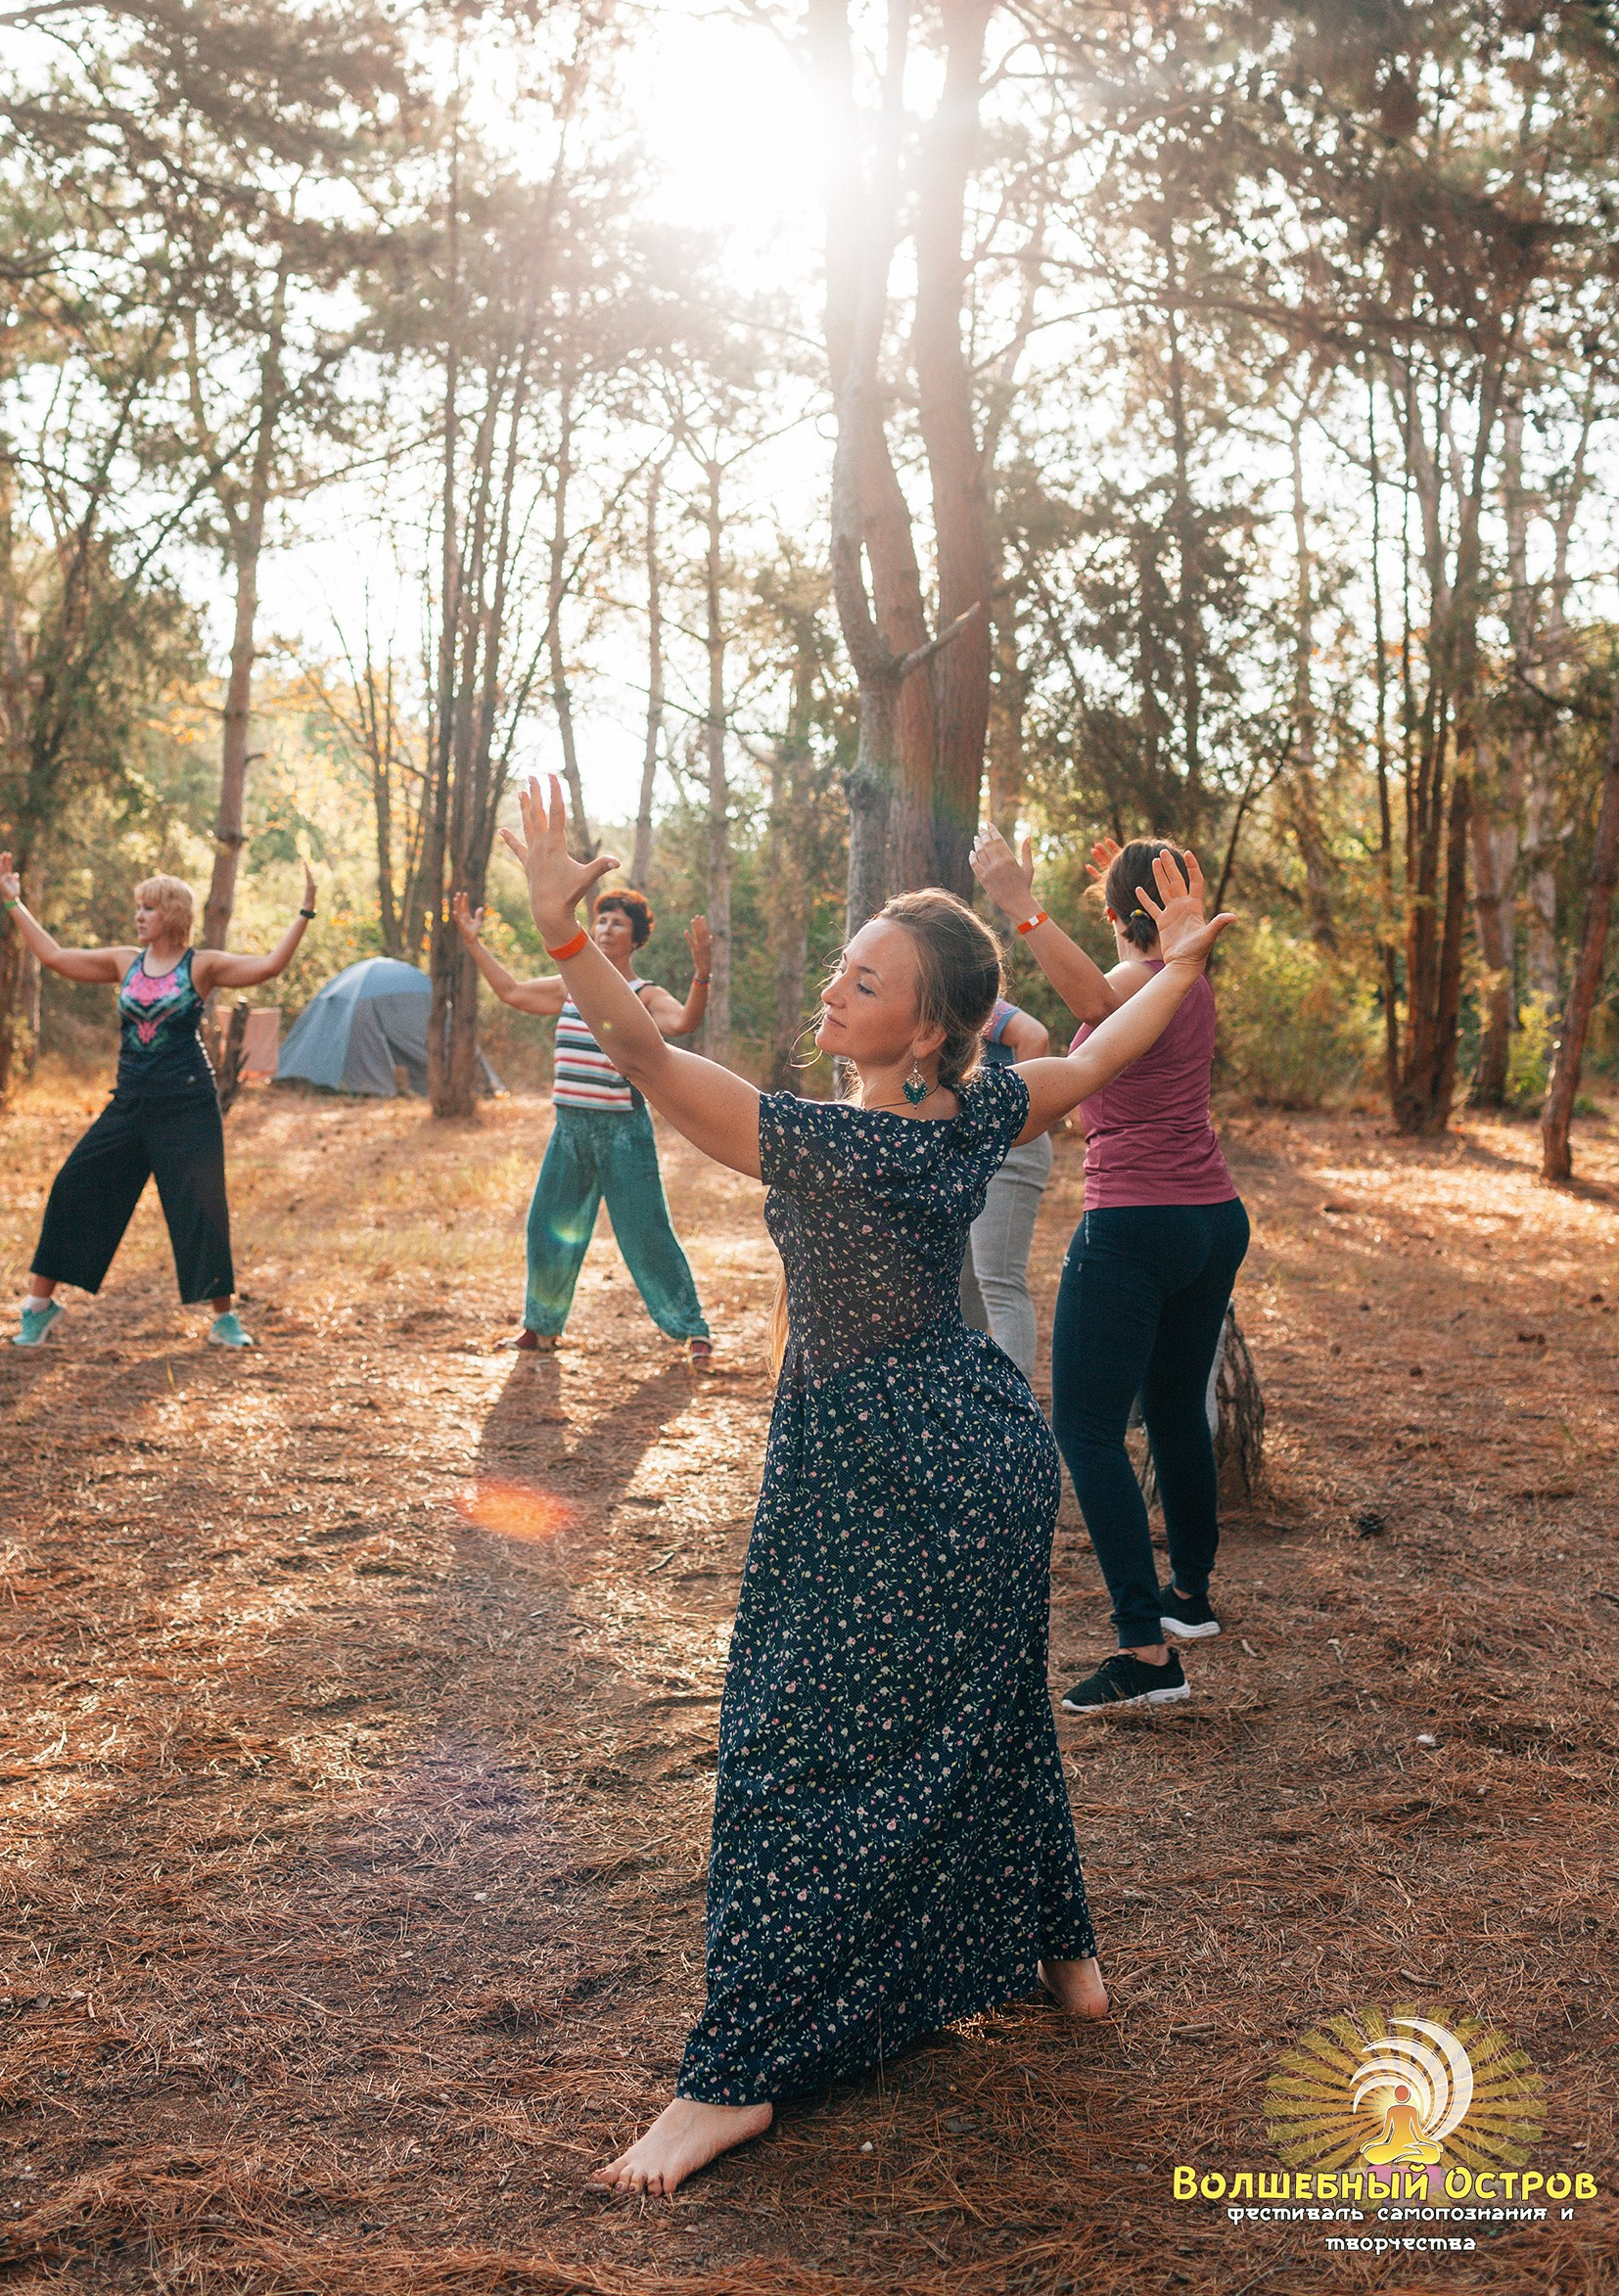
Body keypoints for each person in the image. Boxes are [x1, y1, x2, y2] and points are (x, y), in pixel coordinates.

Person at [501, 777, 1235, 2199]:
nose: (838, 988)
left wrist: (568, 939)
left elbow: (651, 1063)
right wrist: (1182, 965)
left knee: (788, 1750)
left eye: (869, 980)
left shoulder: (847, 1140)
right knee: (985, 1700)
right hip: (982, 1443)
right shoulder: (977, 1114)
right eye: (843, 965)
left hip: (879, 1461)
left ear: (932, 1024)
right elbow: (1112, 1057)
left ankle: (730, 2084)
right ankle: (1065, 1961)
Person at [968, 824, 1249, 1717]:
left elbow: (1090, 992)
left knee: (1085, 1431)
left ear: (1114, 910)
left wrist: (1017, 900)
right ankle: (1190, 1598)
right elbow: (1109, 983)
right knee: (1170, 1406)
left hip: (1136, 1221)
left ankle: (1146, 1652)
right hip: (1211, 1216)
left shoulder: (1138, 982)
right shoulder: (1183, 975)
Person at [0, 857, 316, 1351]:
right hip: (130, 1103)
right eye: (137, 908)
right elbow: (56, 956)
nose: (139, 916)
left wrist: (305, 913)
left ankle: (223, 1318)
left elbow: (269, 965)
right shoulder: (124, 961)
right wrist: (13, 899)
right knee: (72, 1187)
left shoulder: (202, 966)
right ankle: (39, 1307)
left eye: (148, 908)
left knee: (202, 1208)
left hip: (187, 1104)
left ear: (172, 914)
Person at [451, 885, 714, 1360]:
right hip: (568, 1130)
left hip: (622, 1133)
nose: (606, 928)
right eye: (601, 920)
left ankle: (691, 1329)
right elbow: (511, 991)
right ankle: (540, 1327)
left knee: (647, 1234)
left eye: (618, 923)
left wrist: (702, 975)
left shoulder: (645, 994)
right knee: (546, 1228)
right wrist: (473, 942)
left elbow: (683, 1024)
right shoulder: (570, 985)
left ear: (636, 940)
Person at [961, 990, 1054, 1375]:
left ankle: (1016, 1421)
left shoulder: (968, 997)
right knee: (958, 1289)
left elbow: (1035, 1036)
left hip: (1011, 1146)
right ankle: (962, 1404)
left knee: (999, 1283)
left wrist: (1016, 1119)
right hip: (969, 1148)